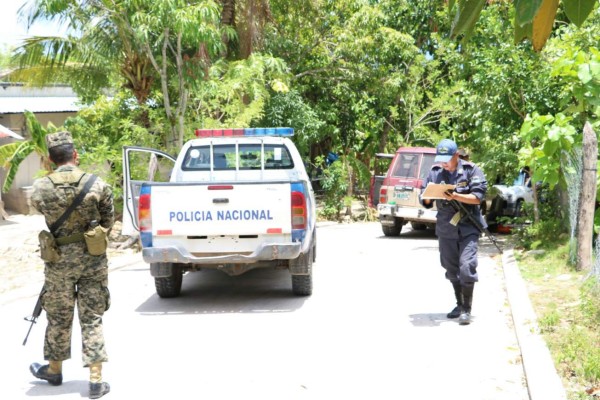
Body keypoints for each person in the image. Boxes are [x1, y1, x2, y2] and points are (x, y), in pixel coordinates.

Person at [29, 131, 114, 399]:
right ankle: (95, 380)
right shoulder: (97, 184)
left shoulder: (41, 188)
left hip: (58, 262)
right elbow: (108, 221)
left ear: (51, 160)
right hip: (92, 259)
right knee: (92, 318)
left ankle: (54, 370)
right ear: (75, 156)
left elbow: (39, 209)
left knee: (58, 316)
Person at [420, 139, 487, 325]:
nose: (444, 163)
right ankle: (459, 304)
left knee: (467, 266)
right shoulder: (435, 173)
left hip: (468, 226)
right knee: (451, 269)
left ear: (456, 155)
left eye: (447, 159)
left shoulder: (471, 170)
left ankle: (467, 309)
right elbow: (424, 200)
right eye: (441, 159)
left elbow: (478, 197)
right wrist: (428, 197)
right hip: (445, 227)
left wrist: (456, 196)